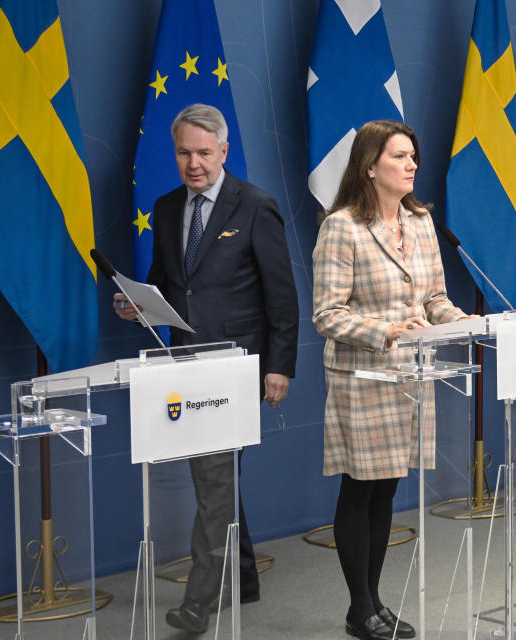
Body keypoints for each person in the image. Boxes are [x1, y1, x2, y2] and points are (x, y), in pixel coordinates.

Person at [114, 103, 299, 632]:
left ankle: (201, 599)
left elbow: (281, 297)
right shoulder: (168, 207)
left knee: (214, 479)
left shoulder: (256, 206)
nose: (193, 163)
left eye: (202, 152)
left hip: (235, 369)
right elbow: (166, 284)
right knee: (217, 479)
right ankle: (242, 575)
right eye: (183, 153)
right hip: (182, 367)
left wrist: (279, 367)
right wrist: (137, 304)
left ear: (223, 151)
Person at [312, 120, 468, 640]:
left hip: (410, 377)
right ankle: (361, 607)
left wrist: (463, 321)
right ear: (369, 165)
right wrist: (386, 331)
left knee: (387, 493)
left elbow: (435, 300)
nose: (411, 165)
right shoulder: (341, 227)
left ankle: (375, 601)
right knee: (361, 491)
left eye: (413, 157)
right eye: (400, 157)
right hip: (363, 378)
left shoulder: (421, 222)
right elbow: (327, 315)